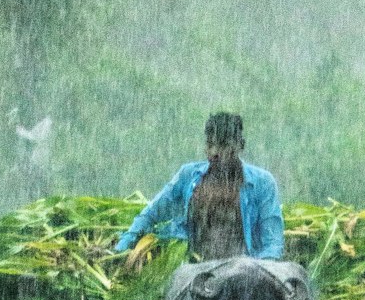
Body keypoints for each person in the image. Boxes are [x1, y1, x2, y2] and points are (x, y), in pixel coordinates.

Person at [114, 112, 284, 261]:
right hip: (193, 267)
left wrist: (257, 273)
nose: (215, 152)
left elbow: (273, 243)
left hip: (244, 268)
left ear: (240, 145)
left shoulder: (262, 183)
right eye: (210, 144)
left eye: (223, 145)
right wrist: (122, 248)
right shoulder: (188, 176)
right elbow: (151, 214)